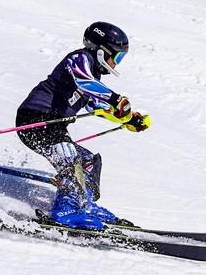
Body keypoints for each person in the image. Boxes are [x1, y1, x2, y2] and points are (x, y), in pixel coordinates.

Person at [16, 21, 151, 229]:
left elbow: (96, 105)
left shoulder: (93, 76)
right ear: (101, 51)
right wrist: (116, 99)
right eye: (116, 57)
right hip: (36, 118)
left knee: (88, 161)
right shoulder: (79, 58)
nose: (116, 64)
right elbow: (84, 82)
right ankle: (65, 211)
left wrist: (129, 118)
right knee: (70, 160)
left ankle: (83, 204)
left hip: (53, 125)